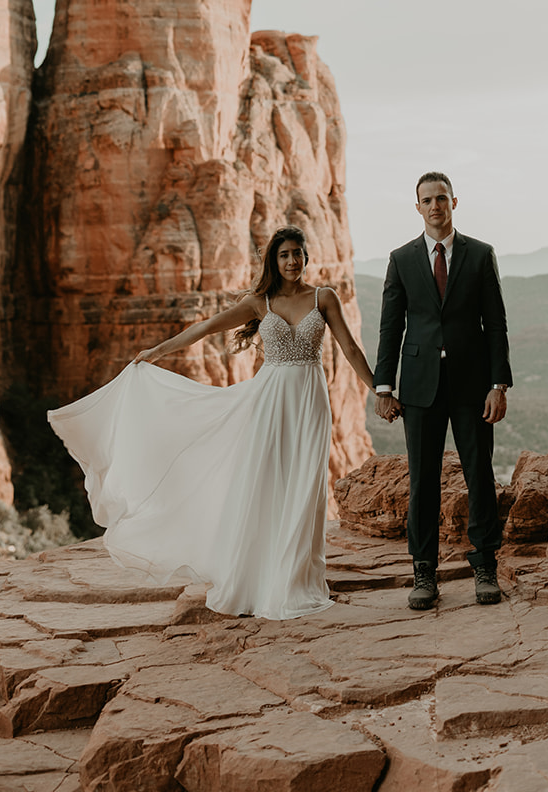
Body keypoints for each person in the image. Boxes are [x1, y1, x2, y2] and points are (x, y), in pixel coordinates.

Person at [47, 226, 377, 621]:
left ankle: (295, 580)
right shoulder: (260, 302)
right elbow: (205, 327)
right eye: (284, 255)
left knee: (305, 486)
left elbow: (351, 349)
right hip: (268, 399)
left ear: (307, 257)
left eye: (297, 254)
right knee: (266, 483)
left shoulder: (324, 298)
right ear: (274, 260)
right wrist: (157, 351)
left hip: (309, 397)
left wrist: (381, 391)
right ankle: (258, 579)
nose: (292, 261)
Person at [373, 172, 512, 611]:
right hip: (419, 387)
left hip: (472, 386)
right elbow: (391, 325)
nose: (435, 206)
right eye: (427, 200)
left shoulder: (480, 254)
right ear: (418, 207)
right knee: (423, 482)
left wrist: (499, 384)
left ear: (455, 202)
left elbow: (496, 324)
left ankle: (485, 566)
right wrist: (383, 386)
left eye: (442, 198)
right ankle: (424, 572)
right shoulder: (401, 259)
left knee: (479, 476)